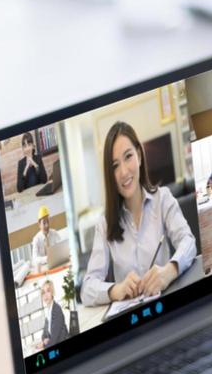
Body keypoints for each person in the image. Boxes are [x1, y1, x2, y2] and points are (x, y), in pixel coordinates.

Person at [79, 121, 197, 306]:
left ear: (139, 156)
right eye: (115, 166)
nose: (124, 172)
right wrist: (115, 290)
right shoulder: (104, 224)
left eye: (128, 157)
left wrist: (170, 270)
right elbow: (87, 289)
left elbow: (188, 242)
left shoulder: (162, 199)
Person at [26, 206, 68, 279]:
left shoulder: (54, 233)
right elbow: (34, 259)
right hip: (43, 270)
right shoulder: (36, 239)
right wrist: (46, 258)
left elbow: (61, 248)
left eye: (48, 222)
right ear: (39, 224)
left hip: (55, 266)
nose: (47, 225)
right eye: (44, 223)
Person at [37, 278, 67, 349]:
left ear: (52, 292)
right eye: (43, 292)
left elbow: (54, 339)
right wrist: (44, 341)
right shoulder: (48, 312)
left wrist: (43, 344)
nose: (45, 295)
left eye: (48, 291)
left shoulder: (56, 310)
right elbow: (44, 335)